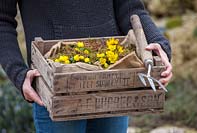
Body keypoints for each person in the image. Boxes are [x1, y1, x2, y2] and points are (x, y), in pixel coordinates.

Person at [0, 0, 172, 133]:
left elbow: (129, 7)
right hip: (55, 86)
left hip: (114, 79)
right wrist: (18, 73)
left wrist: (157, 43)